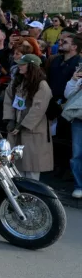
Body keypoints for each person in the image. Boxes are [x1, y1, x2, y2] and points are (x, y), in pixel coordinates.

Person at [2, 55, 53, 180]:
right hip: (16, 129)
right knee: (16, 166)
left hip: (33, 130)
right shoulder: (17, 82)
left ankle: (32, 196)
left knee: (32, 167)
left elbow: (38, 108)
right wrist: (11, 119)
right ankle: (17, 196)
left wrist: (23, 125)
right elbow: (8, 100)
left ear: (32, 66)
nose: (19, 66)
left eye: (23, 64)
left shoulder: (42, 85)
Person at [62, 66, 82, 198]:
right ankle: (79, 186)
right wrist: (74, 81)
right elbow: (68, 95)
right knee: (77, 154)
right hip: (79, 119)